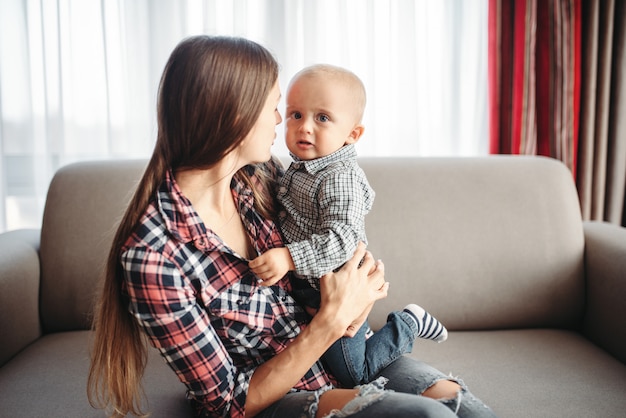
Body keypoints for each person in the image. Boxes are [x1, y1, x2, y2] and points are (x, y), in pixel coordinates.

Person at [87, 35, 497, 418]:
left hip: (342, 355)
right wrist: (330, 321)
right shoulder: (154, 257)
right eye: (276, 107)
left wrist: (359, 297)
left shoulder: (261, 178)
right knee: (427, 416)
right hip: (280, 394)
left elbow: (339, 246)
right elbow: (230, 403)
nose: (283, 120)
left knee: (465, 408)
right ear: (236, 115)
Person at [249, 64, 447, 388]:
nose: (305, 128)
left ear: (352, 134)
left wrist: (288, 257)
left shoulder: (341, 177)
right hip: (309, 292)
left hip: (336, 293)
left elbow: (341, 240)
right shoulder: (301, 167)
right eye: (295, 114)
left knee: (354, 374)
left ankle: (408, 323)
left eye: (322, 118)